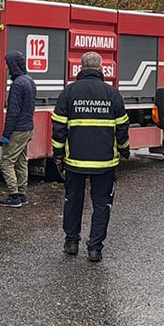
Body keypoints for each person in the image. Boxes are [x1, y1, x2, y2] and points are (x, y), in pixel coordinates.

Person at [52, 51, 129, 263]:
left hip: (75, 161)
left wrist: (58, 154)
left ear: (81, 68)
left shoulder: (69, 93)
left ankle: (71, 242)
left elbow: (59, 127)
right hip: (105, 162)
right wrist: (124, 150)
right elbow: (122, 127)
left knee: (73, 200)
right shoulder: (112, 94)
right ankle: (95, 248)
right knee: (102, 204)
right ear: (100, 68)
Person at [0, 51, 36, 208]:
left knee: (7, 162)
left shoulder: (17, 84)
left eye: (8, 64)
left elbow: (13, 112)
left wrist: (6, 134)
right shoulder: (29, 81)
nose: (7, 67)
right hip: (28, 127)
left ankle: (14, 196)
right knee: (21, 161)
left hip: (18, 129)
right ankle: (22, 193)